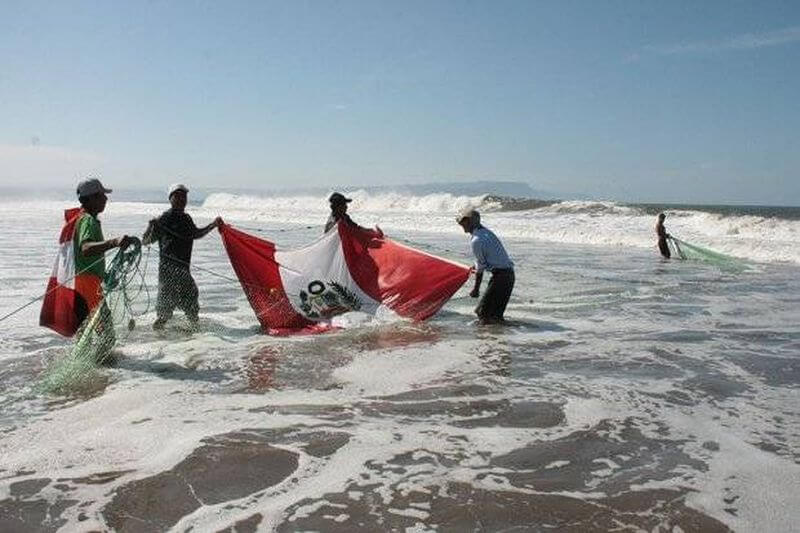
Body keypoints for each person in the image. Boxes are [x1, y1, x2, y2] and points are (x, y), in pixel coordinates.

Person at [143, 183, 222, 330]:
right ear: (170, 198)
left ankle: (194, 338)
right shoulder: (164, 218)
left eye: (184, 196)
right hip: (168, 273)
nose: (181, 199)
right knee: (164, 314)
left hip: (183, 271)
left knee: (192, 304)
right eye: (177, 196)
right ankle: (157, 338)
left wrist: (213, 225)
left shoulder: (186, 218)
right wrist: (151, 226)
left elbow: (196, 234)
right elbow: (145, 241)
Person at [74, 178, 133, 363]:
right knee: (107, 333)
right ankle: (101, 371)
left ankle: (88, 368)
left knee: (86, 332)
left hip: (85, 281)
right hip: (88, 284)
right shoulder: (88, 221)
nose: (106, 200)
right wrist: (114, 242)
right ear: (91, 198)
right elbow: (85, 248)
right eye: (102, 196)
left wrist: (105, 275)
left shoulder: (83, 218)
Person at [456, 208, 515, 324]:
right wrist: (476, 265)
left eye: (463, 221)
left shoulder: (477, 240)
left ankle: (486, 339)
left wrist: (476, 289)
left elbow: (480, 268)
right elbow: (489, 257)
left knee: (483, 313)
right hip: (507, 276)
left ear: (469, 222)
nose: (460, 224)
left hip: (501, 277)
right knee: (494, 316)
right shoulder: (485, 232)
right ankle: (497, 338)